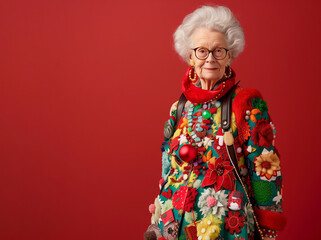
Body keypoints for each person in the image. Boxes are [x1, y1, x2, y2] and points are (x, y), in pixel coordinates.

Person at [145, 5, 286, 240]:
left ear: (229, 55)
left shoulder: (246, 106)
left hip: (227, 226)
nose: (210, 58)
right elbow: (168, 167)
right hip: (174, 225)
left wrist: (268, 230)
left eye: (218, 51)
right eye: (202, 51)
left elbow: (266, 170)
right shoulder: (179, 107)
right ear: (190, 56)